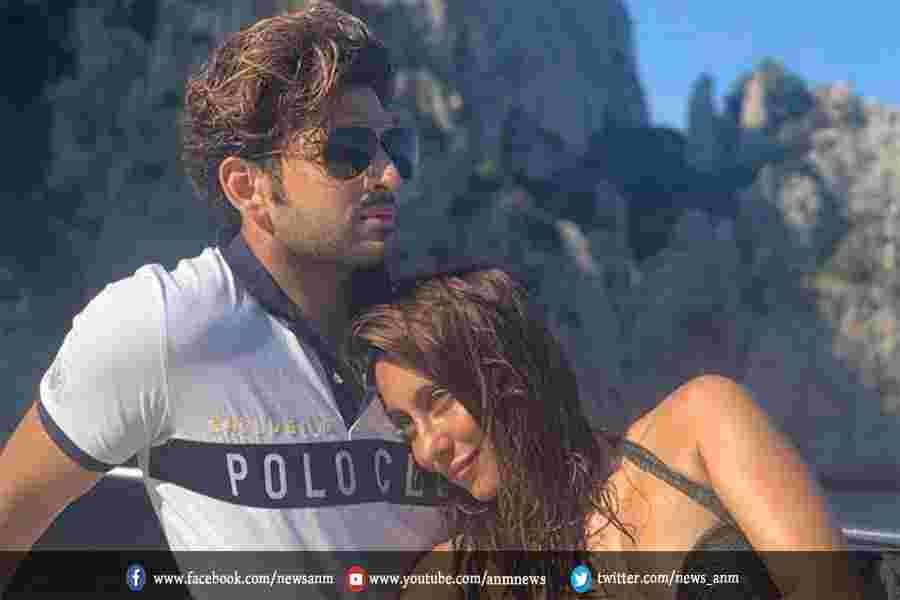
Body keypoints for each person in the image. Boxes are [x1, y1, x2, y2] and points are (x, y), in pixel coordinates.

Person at [0, 0, 446, 593]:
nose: (388, 175)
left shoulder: (449, 332)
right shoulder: (161, 326)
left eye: (397, 147)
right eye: (348, 152)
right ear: (247, 186)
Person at [350, 267, 863, 599]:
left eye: (439, 401)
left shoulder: (698, 425)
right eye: (406, 426)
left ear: (507, 374)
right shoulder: (459, 574)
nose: (427, 448)